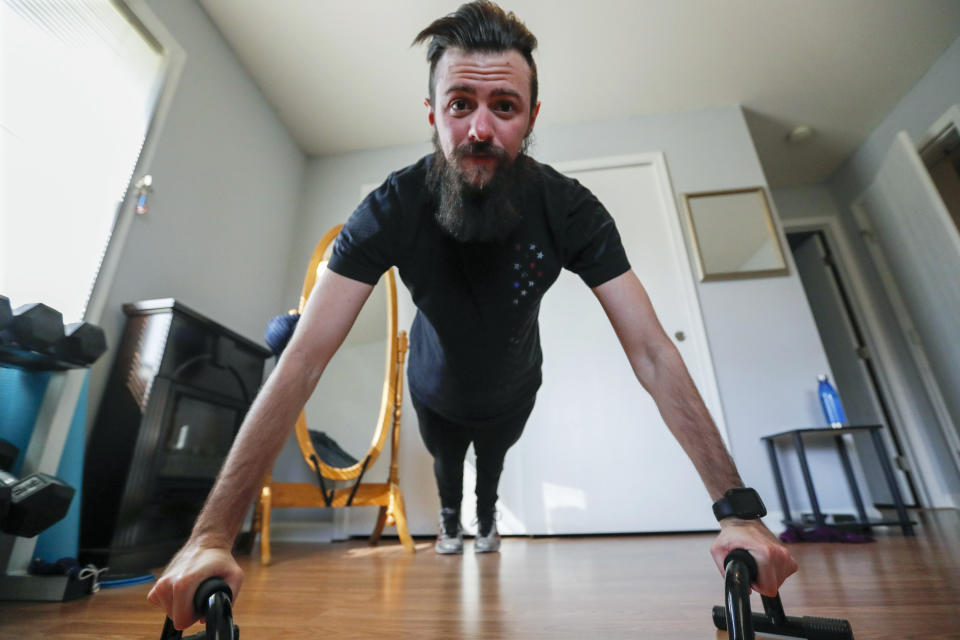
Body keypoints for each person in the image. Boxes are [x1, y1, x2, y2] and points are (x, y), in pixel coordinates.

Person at [149, 0, 797, 629]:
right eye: (461, 104)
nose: (480, 129)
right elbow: (304, 358)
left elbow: (653, 352)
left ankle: (482, 521)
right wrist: (210, 535)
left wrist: (737, 510)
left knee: (488, 474)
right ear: (433, 114)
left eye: (504, 106)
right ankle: (456, 524)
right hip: (432, 390)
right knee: (446, 470)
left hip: (515, 389)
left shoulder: (570, 210)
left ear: (531, 116)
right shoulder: (390, 209)